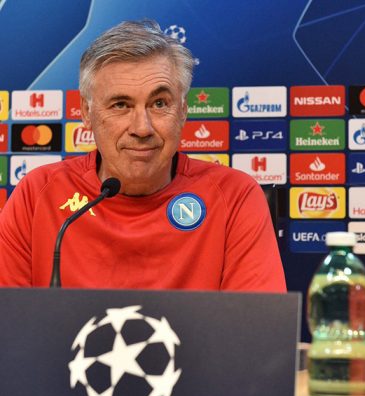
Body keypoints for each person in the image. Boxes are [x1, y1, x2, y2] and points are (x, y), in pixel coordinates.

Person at [0, 20, 286, 291]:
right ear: (86, 112)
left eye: (159, 103)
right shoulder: (38, 195)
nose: (142, 128)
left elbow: (256, 324)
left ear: (183, 111)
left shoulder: (235, 197)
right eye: (121, 105)